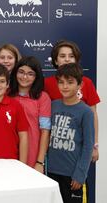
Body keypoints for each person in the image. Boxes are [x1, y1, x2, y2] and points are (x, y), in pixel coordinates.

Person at [44, 40, 100, 202]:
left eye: (71, 56)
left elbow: (89, 137)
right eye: (62, 56)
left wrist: (95, 147)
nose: (65, 86)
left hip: (73, 168)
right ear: (55, 60)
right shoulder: (50, 95)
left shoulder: (85, 107)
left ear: (79, 85)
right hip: (53, 168)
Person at [9, 56, 51, 172]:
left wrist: (40, 162)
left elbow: (45, 131)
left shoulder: (43, 98)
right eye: (21, 72)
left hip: (33, 156)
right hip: (9, 153)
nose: (24, 77)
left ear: (36, 77)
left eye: (30, 74)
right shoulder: (7, 95)